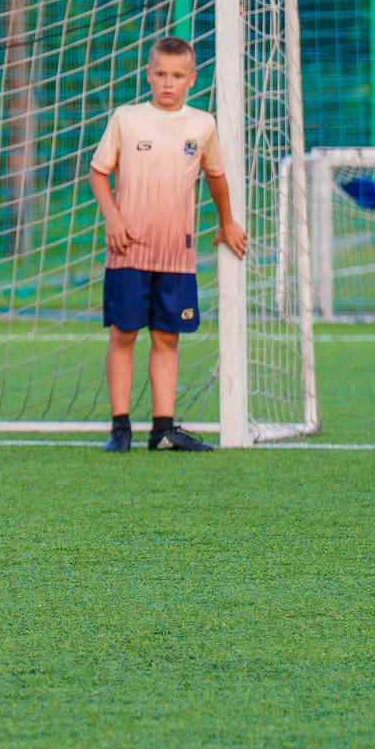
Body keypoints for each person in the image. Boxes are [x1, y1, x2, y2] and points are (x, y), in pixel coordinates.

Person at [88, 35, 249, 453]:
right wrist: (113, 218)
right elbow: (98, 173)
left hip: (177, 255)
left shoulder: (202, 125)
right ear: (148, 74)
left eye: (177, 76)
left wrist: (226, 221)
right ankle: (119, 428)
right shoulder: (127, 118)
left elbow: (215, 176)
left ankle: (162, 429)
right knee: (123, 333)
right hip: (128, 252)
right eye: (160, 74)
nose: (167, 83)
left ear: (192, 79)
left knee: (166, 337)